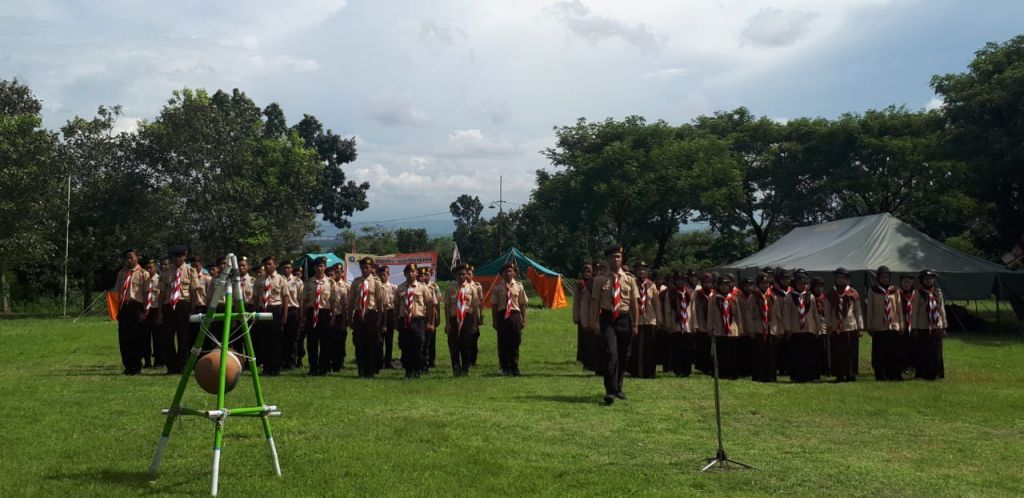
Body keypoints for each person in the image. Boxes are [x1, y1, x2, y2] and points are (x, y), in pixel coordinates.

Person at [591, 245, 638, 405]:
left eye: (618, 257)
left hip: (624, 319)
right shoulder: (600, 279)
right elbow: (595, 302)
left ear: (622, 259)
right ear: (607, 259)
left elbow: (633, 303)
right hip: (607, 318)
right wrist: (594, 321)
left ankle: (618, 387)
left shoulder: (630, 279)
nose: (615, 259)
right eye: (612, 257)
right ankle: (610, 390)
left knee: (623, 354)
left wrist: (636, 324)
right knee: (612, 353)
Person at [160, 245, 201, 374]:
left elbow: (194, 292)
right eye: (175, 256)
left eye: (180, 256)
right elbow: (162, 292)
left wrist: (193, 308)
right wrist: (160, 311)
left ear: (185, 256)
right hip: (169, 305)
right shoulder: (166, 271)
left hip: (184, 305)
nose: (177, 259)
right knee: (168, 337)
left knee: (184, 338)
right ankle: (171, 367)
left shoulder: (191, 271)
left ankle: (183, 365)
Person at [348, 257, 387, 378]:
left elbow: (380, 303)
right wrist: (350, 318)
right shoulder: (356, 282)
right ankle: (361, 369)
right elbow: (351, 301)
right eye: (363, 267)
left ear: (371, 268)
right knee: (359, 343)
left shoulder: (377, 282)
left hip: (372, 314)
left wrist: (380, 319)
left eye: (367, 267)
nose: (365, 270)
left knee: (372, 344)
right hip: (359, 314)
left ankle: (370, 370)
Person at [396, 264, 436, 379]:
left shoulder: (423, 288)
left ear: (416, 274)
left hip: (418, 320)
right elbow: (397, 306)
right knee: (406, 346)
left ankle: (417, 370)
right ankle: (408, 371)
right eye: (408, 272)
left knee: (419, 345)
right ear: (404, 274)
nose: (410, 274)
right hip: (404, 320)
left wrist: (429, 322)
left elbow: (430, 304)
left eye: (413, 271)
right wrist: (396, 322)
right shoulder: (400, 288)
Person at [114, 249, 150, 375]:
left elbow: (146, 294)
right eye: (127, 258)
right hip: (125, 306)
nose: (129, 260)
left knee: (136, 337)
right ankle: (127, 365)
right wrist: (119, 309)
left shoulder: (143, 274)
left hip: (137, 307)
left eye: (131, 257)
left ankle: (136, 365)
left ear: (137, 258)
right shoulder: (122, 273)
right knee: (124, 337)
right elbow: (119, 292)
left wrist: (145, 310)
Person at [825, 268, 864, 382]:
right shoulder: (830, 294)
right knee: (838, 351)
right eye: (838, 278)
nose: (840, 280)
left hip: (850, 325)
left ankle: (850, 374)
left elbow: (858, 310)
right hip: (836, 327)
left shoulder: (853, 293)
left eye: (843, 278)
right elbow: (827, 312)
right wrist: (828, 326)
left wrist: (860, 327)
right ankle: (839, 374)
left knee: (851, 351)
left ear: (847, 279)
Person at [301, 257, 338, 376]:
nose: (319, 268)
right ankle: (312, 368)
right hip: (311, 313)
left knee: (325, 343)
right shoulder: (308, 282)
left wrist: (333, 317)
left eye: (321, 266)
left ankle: (323, 368)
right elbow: (304, 300)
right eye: (317, 266)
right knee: (311, 343)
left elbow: (333, 301)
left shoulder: (331, 283)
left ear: (325, 267)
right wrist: (302, 316)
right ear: (314, 268)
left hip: (324, 313)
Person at [444, 263, 482, 376]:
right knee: (453, 345)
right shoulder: (450, 288)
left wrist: (475, 323)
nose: (462, 277)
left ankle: (465, 369)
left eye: (464, 274)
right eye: (459, 274)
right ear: (455, 275)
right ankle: (456, 367)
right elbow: (446, 306)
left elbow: (475, 307)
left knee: (466, 344)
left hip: (467, 318)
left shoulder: (472, 288)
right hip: (453, 318)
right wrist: (447, 324)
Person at [783, 273, 821, 382]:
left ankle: (809, 375)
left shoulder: (811, 296)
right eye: (800, 283)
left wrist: (817, 328)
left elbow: (815, 313)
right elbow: (786, 314)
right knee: (796, 355)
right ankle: (796, 375)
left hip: (809, 329)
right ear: (795, 284)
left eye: (804, 284)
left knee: (808, 354)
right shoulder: (790, 296)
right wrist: (788, 328)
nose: (802, 286)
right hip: (795, 330)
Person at [866, 266, 902, 381]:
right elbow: (869, 309)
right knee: (879, 353)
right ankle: (881, 375)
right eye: (882, 277)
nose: (885, 279)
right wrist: (869, 325)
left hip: (893, 325)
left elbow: (899, 308)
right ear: (878, 278)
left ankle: (894, 375)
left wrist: (901, 325)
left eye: (887, 276)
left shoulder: (895, 290)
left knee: (894, 352)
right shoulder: (873, 290)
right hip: (879, 326)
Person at [492, 262, 528, 376]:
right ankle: (504, 367)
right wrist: (495, 320)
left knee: (515, 341)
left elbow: (522, 304)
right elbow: (494, 306)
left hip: (515, 315)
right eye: (505, 271)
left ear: (514, 273)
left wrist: (524, 319)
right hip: (503, 316)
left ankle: (515, 366)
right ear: (501, 274)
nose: (508, 273)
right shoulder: (497, 288)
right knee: (503, 342)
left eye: (510, 271)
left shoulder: (519, 286)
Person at [254, 256, 289, 376]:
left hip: (275, 310)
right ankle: (266, 367)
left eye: (270, 264)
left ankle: (275, 368)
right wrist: (255, 313)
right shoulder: (259, 280)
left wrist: (284, 315)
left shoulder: (280, 279)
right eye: (265, 264)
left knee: (276, 341)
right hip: (263, 309)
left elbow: (285, 298)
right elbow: (255, 297)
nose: (267, 266)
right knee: (264, 340)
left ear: (275, 265)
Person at [706, 274, 743, 380]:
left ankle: (732, 373)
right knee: (720, 353)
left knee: (732, 352)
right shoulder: (713, 298)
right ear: (718, 286)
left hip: (732, 328)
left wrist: (740, 328)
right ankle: (720, 373)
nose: (724, 287)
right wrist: (709, 328)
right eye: (722, 285)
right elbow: (710, 314)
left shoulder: (733, 298)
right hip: (718, 328)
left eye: (726, 285)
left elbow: (738, 314)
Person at [913, 270, 947, 380]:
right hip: (923, 326)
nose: (928, 281)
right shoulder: (918, 293)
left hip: (937, 325)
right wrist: (914, 327)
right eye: (926, 279)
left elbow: (941, 310)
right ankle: (923, 374)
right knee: (923, 350)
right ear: (922, 280)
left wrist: (944, 326)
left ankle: (937, 373)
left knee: (937, 350)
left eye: (930, 278)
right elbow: (914, 311)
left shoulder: (938, 292)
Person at [628, 262, 660, 378]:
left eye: (644, 269)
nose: (641, 272)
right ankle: (636, 372)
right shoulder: (632, 284)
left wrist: (659, 319)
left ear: (647, 272)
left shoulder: (652, 285)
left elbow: (656, 304)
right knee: (636, 347)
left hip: (650, 320)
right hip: (637, 320)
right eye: (639, 269)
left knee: (650, 347)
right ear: (635, 271)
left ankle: (649, 372)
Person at [666, 271, 696, 377]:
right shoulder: (670, 293)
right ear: (675, 281)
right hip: (676, 324)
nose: (681, 282)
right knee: (676, 349)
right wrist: (669, 325)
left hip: (687, 324)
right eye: (678, 280)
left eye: (683, 280)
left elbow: (693, 310)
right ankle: (677, 370)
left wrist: (694, 325)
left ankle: (687, 370)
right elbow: (667, 309)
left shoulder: (690, 292)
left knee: (688, 348)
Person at [280, 260, 303, 370]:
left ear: (292, 269)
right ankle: (282, 360)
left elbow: (300, 299)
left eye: (288, 267)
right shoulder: (278, 280)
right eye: (284, 267)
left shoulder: (297, 282)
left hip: (293, 311)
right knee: (281, 337)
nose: (286, 270)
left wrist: (301, 314)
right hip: (280, 310)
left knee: (293, 338)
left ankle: (292, 361)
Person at [692, 272, 715, 375]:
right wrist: (696, 324)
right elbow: (694, 309)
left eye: (709, 282)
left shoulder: (714, 293)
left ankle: (712, 366)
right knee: (702, 347)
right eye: (705, 282)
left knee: (712, 347)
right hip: (701, 323)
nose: (707, 285)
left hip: (713, 324)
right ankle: (703, 366)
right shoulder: (698, 293)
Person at [573, 264, 594, 370]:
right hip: (582, 315)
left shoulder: (595, 283)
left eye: (589, 272)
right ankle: (582, 358)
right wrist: (576, 316)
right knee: (583, 338)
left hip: (593, 315)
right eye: (585, 272)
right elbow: (576, 302)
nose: (587, 274)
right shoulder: (579, 284)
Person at [419, 267, 441, 372]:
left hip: (430, 316)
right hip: (419, 317)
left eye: (426, 275)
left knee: (430, 341)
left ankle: (430, 361)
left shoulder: (433, 287)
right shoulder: (416, 287)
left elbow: (436, 304)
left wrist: (436, 318)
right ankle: (421, 362)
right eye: (422, 275)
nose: (424, 277)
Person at [142, 258, 162, 369]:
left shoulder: (160, 280)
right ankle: (147, 361)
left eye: (151, 268)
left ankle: (158, 361)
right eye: (147, 268)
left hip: (155, 310)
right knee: (145, 338)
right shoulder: (144, 280)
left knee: (157, 337)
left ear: (155, 268)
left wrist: (160, 313)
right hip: (146, 311)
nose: (149, 270)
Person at [330, 263, 350, 372]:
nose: (337, 274)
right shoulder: (329, 284)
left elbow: (348, 305)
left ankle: (340, 360)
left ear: (342, 273)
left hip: (340, 316)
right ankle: (331, 360)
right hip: (329, 315)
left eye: (339, 272)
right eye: (335, 272)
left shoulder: (347, 286)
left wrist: (345, 320)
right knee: (330, 340)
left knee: (340, 340)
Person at [896, 274, 917, 375]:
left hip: (913, 323)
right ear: (900, 283)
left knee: (912, 345)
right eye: (904, 281)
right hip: (902, 321)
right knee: (901, 345)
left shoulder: (915, 294)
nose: (906, 284)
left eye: (908, 282)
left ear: (912, 283)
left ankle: (911, 366)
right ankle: (901, 366)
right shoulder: (897, 294)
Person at [378, 265, 398, 370]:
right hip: (378, 314)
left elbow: (396, 304)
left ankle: (388, 362)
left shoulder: (393, 287)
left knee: (389, 340)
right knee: (379, 340)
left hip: (390, 314)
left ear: (388, 275)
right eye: (380, 274)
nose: (382, 276)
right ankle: (379, 361)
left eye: (384, 274)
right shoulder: (377, 287)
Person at [467, 265, 485, 367]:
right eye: (466, 274)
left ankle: (473, 360)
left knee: (474, 337)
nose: (467, 276)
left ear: (473, 275)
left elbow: (481, 302)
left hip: (474, 314)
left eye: (470, 274)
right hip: (465, 314)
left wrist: (481, 314)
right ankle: (467, 359)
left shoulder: (477, 286)